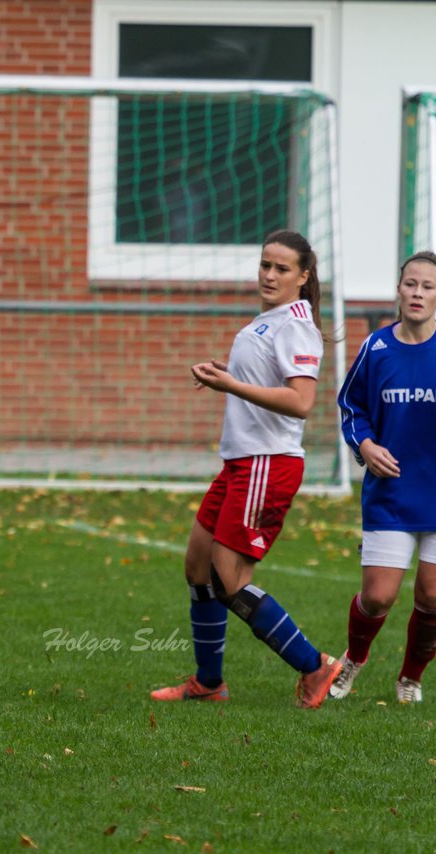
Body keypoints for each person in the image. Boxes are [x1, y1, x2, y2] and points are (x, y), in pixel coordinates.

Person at [151, 230, 342, 709]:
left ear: (303, 276)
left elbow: (300, 402)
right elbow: (265, 382)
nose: (270, 274)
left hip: (267, 462)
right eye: (265, 265)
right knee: (198, 566)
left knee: (229, 577)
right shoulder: (270, 319)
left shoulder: (295, 325)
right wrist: (228, 376)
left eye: (281, 268)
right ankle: (209, 683)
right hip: (240, 462)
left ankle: (316, 665)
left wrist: (232, 385)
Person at [329, 251, 436, 703]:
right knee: (377, 598)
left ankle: (410, 677)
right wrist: (366, 446)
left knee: (433, 597)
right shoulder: (375, 348)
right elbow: (351, 408)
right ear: (398, 289)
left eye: (428, 286)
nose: (418, 293)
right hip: (391, 493)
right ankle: (353, 659)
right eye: (411, 284)